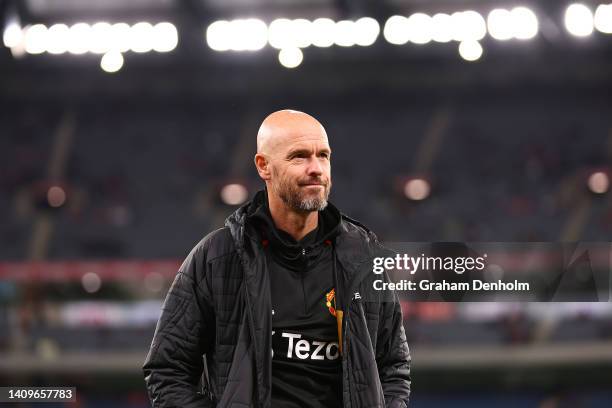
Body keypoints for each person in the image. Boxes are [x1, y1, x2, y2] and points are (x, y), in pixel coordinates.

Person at [143, 109, 411, 408]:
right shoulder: (218, 257)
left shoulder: (363, 257)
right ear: (263, 166)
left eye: (323, 155)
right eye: (299, 156)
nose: (316, 168)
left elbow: (393, 366)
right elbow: (168, 371)